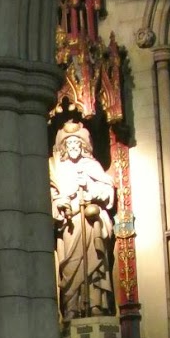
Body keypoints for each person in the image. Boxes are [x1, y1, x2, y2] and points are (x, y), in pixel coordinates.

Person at [50, 118, 117, 321]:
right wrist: (60, 203)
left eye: (76, 143)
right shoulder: (57, 168)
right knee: (70, 265)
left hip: (90, 220)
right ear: (63, 146)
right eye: (69, 143)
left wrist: (90, 190)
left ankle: (96, 304)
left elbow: (108, 189)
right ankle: (71, 308)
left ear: (83, 145)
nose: (73, 147)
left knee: (94, 261)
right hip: (70, 223)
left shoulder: (91, 165)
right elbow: (51, 197)